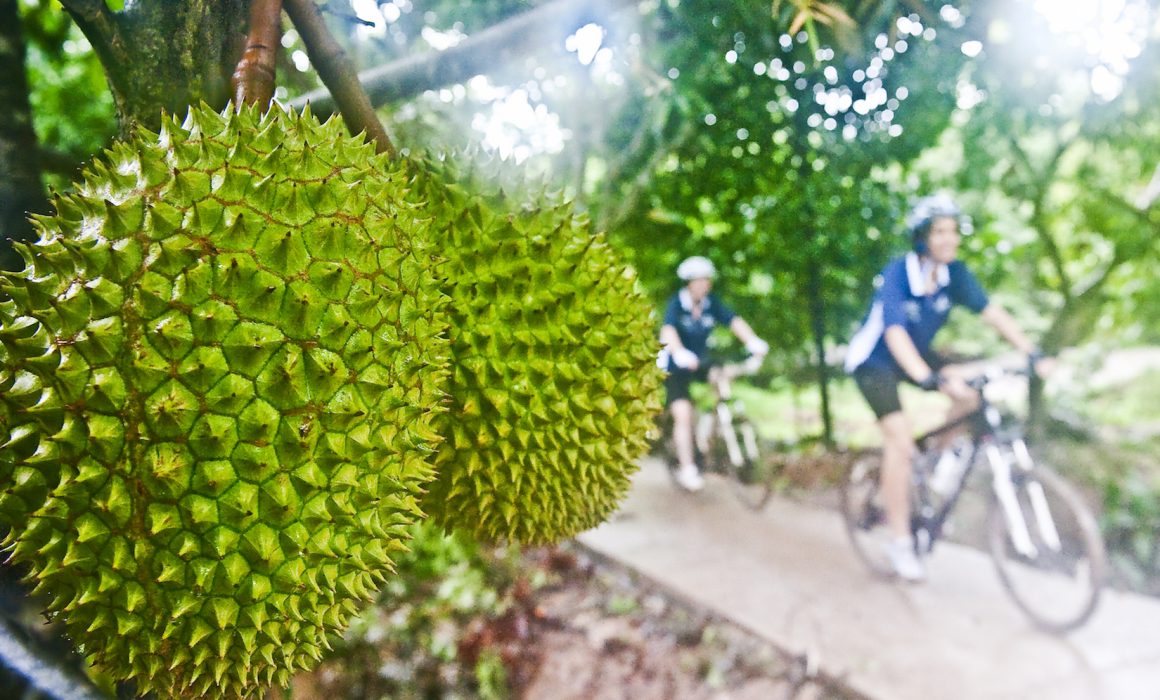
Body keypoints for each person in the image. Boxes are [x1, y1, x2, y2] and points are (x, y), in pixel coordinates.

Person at [843, 194, 1053, 582]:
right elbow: (893, 332)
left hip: (917, 355)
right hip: (875, 362)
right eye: (941, 231)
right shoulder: (898, 273)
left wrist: (1032, 352)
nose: (950, 239)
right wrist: (926, 376)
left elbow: (992, 313)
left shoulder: (954, 275)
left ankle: (936, 469)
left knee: (970, 396)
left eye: (954, 232)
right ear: (922, 237)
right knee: (900, 441)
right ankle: (901, 543)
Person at [659, 256, 768, 492]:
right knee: (683, 413)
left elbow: (734, 321)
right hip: (676, 365)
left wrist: (753, 342)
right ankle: (687, 467)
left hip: (699, 362)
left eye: (707, 280)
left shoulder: (711, 303)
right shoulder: (676, 304)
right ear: (689, 282)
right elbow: (668, 330)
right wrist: (678, 352)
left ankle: (712, 427)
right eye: (699, 281)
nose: (704, 285)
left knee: (721, 375)